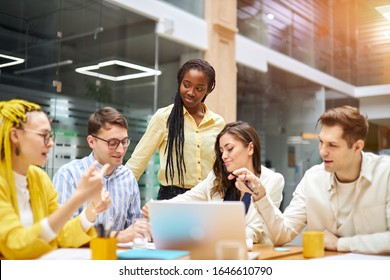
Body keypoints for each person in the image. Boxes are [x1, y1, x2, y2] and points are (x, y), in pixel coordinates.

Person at [233, 106, 390, 254]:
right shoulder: (313, 178)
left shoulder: (385, 173)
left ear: (357, 147)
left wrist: (339, 244)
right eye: (321, 142)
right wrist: (260, 194)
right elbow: (281, 234)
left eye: (332, 145)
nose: (323, 151)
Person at [0, 99, 111, 259]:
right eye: (44, 135)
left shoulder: (39, 178)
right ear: (15, 135)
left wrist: (93, 208)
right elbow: (16, 245)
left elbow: (61, 233)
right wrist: (78, 198)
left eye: (50, 136)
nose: (51, 143)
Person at [143, 121, 285, 243]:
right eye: (221, 151)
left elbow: (255, 230)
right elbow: (186, 200)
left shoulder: (273, 181)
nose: (224, 156)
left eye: (230, 149)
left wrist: (209, 237)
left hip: (257, 257)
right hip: (218, 253)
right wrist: (156, 207)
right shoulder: (216, 179)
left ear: (250, 148)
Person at [126, 58, 225, 200]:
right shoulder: (163, 117)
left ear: (208, 90)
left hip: (208, 198)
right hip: (172, 196)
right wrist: (118, 194)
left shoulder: (218, 123)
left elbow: (222, 166)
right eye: (186, 85)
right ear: (180, 83)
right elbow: (137, 162)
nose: (191, 92)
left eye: (199, 88)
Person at [53, 107, 150, 243]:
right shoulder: (68, 175)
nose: (121, 150)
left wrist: (148, 223)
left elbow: (133, 230)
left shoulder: (128, 177)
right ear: (91, 141)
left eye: (124, 142)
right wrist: (118, 236)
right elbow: (61, 233)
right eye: (113, 143)